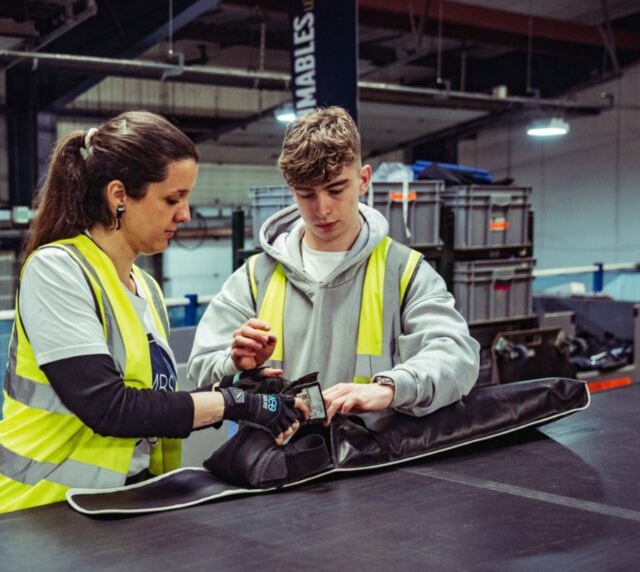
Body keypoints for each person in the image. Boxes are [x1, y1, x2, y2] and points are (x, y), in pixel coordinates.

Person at [0, 111, 310, 519]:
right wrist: (233, 404)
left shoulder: (145, 289)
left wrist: (238, 382)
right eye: (172, 199)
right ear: (119, 196)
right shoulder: (58, 270)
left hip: (115, 508)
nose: (185, 214)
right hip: (36, 511)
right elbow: (110, 407)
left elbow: (156, 404)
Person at [187, 107, 479, 422]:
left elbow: (457, 356)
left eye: (336, 189)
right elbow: (201, 368)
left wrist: (390, 388)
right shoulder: (255, 276)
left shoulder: (406, 272)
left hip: (375, 461)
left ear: (363, 179)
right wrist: (233, 363)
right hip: (276, 461)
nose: (322, 209)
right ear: (291, 189)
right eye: (306, 194)